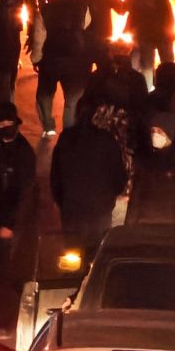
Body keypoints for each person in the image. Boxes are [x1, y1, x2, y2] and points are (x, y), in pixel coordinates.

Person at [50, 99, 127, 258]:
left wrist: (61, 200)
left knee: (73, 254)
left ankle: (75, 280)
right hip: (99, 209)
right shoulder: (106, 139)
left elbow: (55, 175)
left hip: (72, 208)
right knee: (97, 253)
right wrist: (112, 195)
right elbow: (118, 174)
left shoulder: (66, 138)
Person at [0, 102, 36, 286]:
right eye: (1, 124)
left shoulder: (23, 153)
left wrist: (9, 223)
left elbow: (25, 193)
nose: (5, 127)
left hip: (11, 218)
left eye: (8, 124)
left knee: (6, 259)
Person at [31, 0, 90, 137]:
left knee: (45, 94)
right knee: (72, 99)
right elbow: (86, 24)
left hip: (51, 57)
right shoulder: (81, 5)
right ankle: (69, 133)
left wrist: (36, 58)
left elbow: (39, 35)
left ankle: (48, 126)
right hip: (74, 57)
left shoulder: (46, 8)